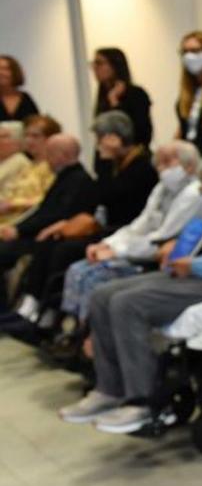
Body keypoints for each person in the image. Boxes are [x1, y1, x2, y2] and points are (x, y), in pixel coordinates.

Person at [57, 150, 202, 431]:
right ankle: (110, 389)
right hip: (201, 271)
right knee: (102, 295)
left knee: (127, 304)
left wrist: (196, 264)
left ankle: (142, 400)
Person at [3, 111, 157, 333]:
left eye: (100, 139)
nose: (97, 146)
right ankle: (36, 309)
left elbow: (118, 200)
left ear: (115, 137)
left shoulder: (142, 166)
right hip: (109, 228)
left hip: (125, 230)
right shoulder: (113, 165)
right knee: (51, 243)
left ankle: (49, 313)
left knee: (63, 249)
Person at [48, 140, 202, 353]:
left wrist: (118, 251)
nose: (161, 168)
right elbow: (140, 224)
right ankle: (77, 332)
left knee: (94, 277)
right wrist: (107, 244)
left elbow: (163, 236)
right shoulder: (161, 188)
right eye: (158, 163)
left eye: (167, 162)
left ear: (189, 165)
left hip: (157, 255)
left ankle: (94, 341)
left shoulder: (194, 193)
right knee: (79, 269)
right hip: (139, 247)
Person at [0, 134, 95, 310]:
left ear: (63, 155)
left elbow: (56, 215)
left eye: (50, 153)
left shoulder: (78, 180)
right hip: (35, 232)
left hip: (49, 235)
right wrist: (16, 228)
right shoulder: (63, 178)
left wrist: (19, 230)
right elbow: (42, 210)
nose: (47, 159)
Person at [0, 115, 60, 225]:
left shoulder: (52, 168)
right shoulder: (27, 167)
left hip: (27, 226)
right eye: (26, 135)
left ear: (50, 138)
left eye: (35, 136)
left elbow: (51, 200)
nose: (28, 140)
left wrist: (12, 204)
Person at [91, 47, 153, 147]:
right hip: (106, 154)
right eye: (93, 63)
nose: (94, 68)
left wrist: (115, 103)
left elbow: (141, 133)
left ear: (115, 66)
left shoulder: (136, 94)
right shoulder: (102, 96)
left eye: (99, 63)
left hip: (132, 153)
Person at [0, 56, 39, 122]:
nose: (1, 73)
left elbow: (37, 124)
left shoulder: (26, 98)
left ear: (15, 72)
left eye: (6, 69)